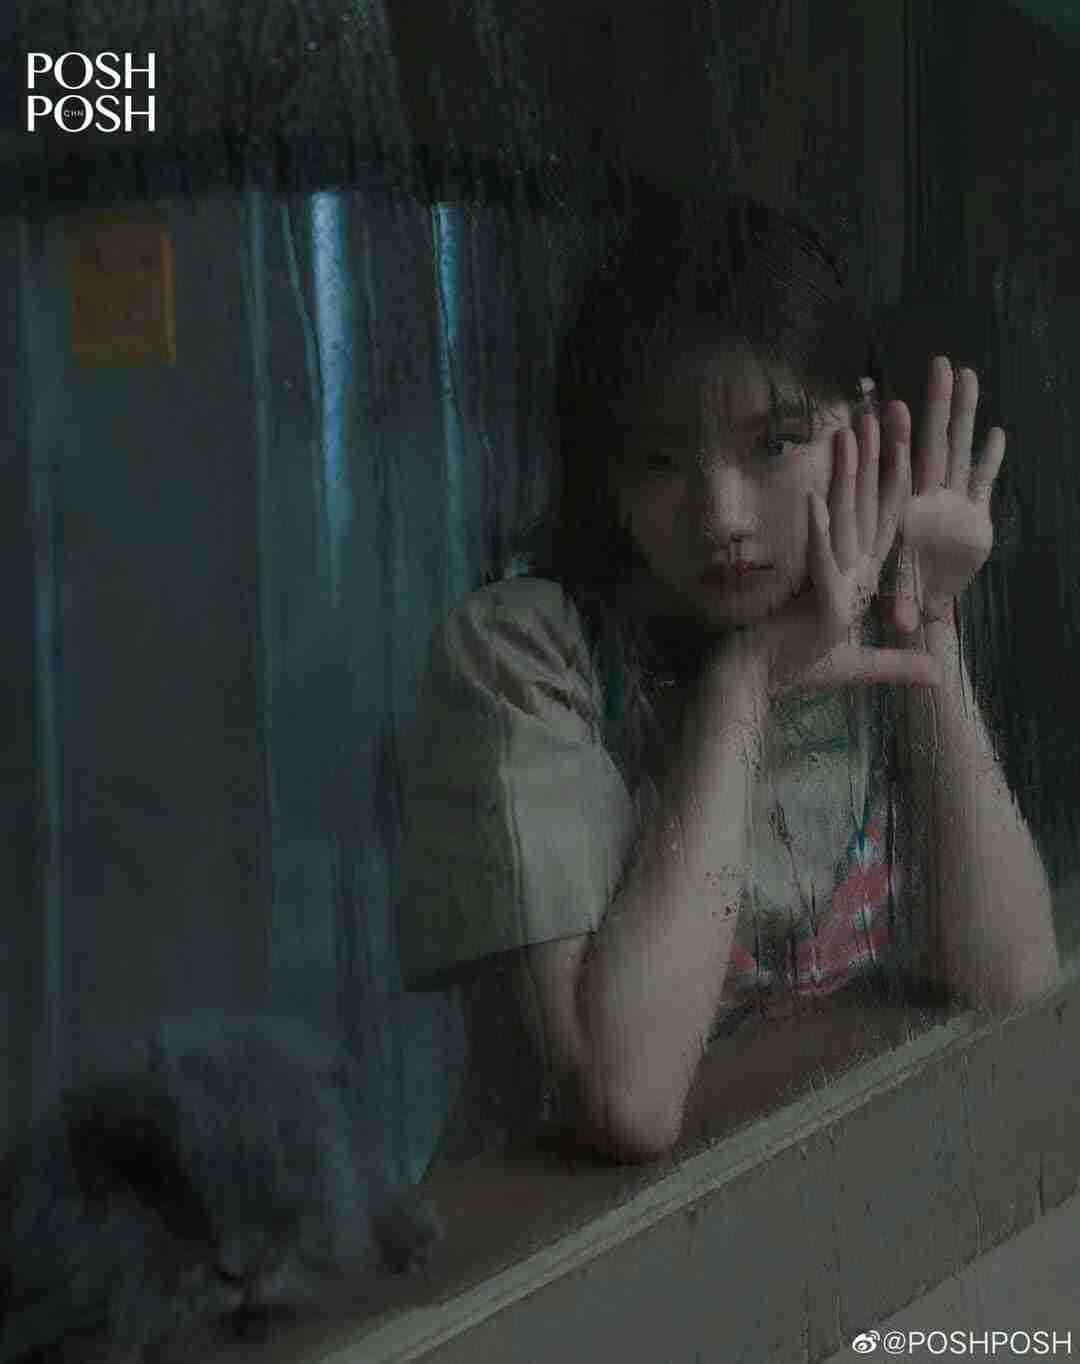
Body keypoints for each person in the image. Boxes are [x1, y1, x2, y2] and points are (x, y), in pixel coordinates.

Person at [395, 186, 1060, 1169]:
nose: (722, 517)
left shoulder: (870, 619)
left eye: (775, 443)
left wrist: (927, 616)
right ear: (609, 476)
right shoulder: (526, 658)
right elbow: (626, 1099)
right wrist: (743, 686)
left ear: (863, 431)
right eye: (660, 460)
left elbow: (1013, 976)